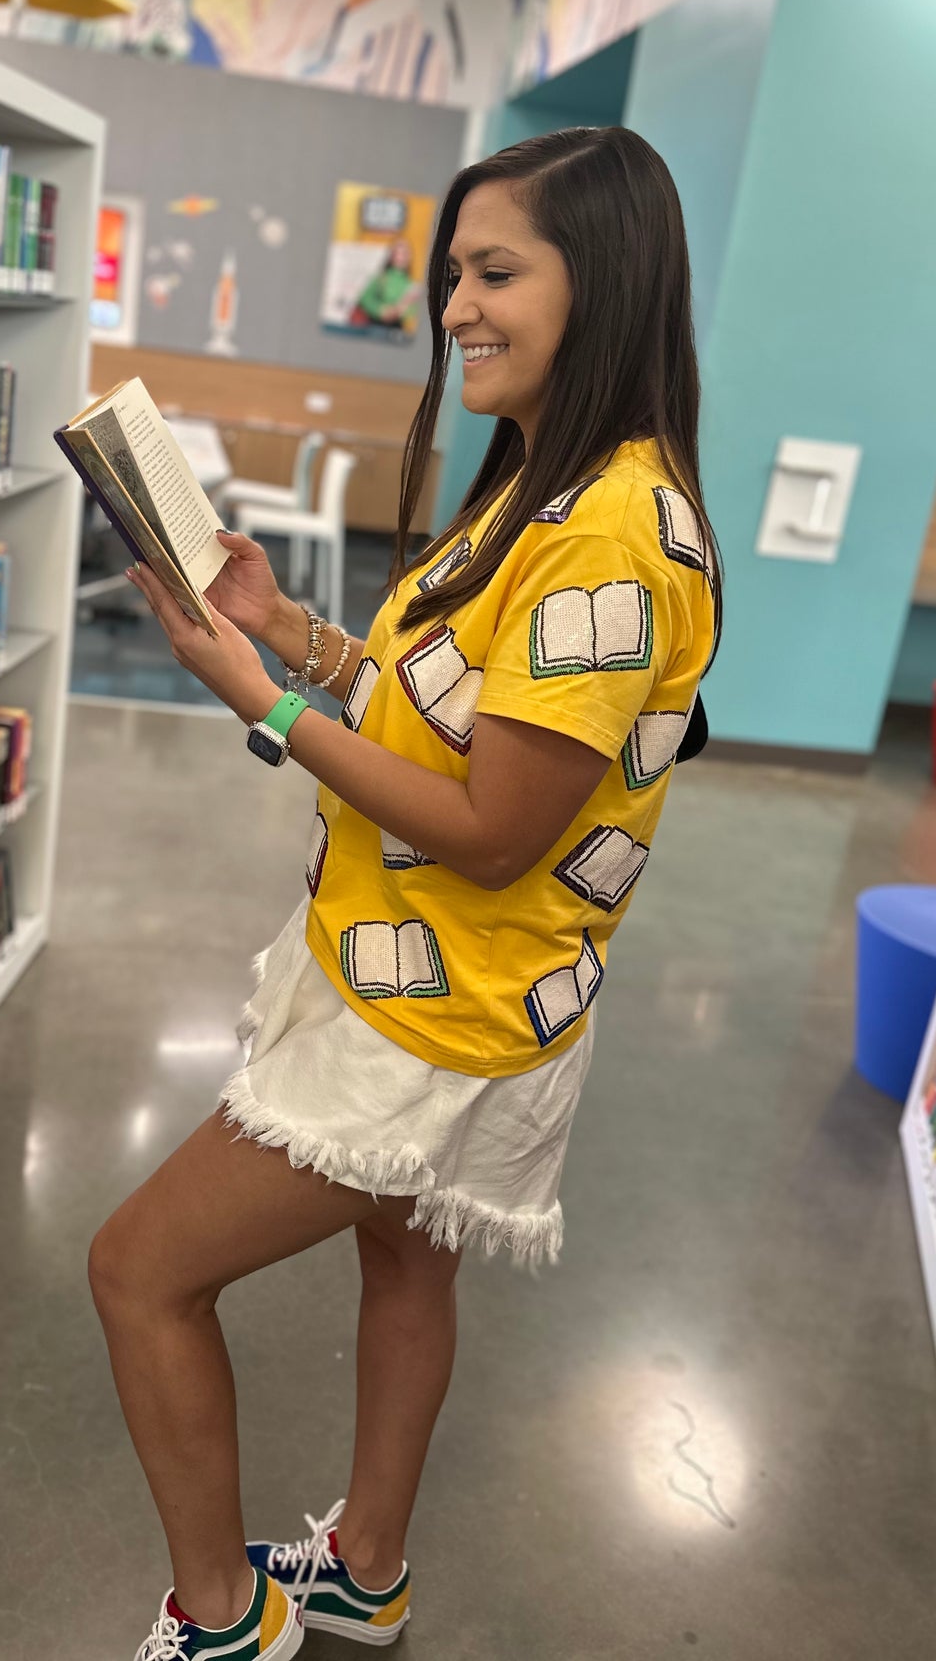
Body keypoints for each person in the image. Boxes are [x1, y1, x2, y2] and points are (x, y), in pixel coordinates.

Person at [92, 126, 721, 1661]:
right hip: (439, 981)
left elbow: (492, 826)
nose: (456, 307)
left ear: (608, 282)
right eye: (454, 274)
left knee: (138, 1267)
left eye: (496, 272)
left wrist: (265, 704)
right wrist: (291, 630)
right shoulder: (545, 494)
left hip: (436, 1011)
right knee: (403, 1252)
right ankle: (366, 1569)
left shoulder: (610, 545)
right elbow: (454, 713)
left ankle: (224, 1615)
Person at [348, 236, 419, 331]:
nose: (401, 257)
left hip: (396, 329)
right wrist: (380, 310)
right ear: (392, 256)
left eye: (404, 253)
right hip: (375, 326)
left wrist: (401, 311)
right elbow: (365, 298)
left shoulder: (410, 284)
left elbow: (413, 310)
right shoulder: (382, 277)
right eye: (398, 253)